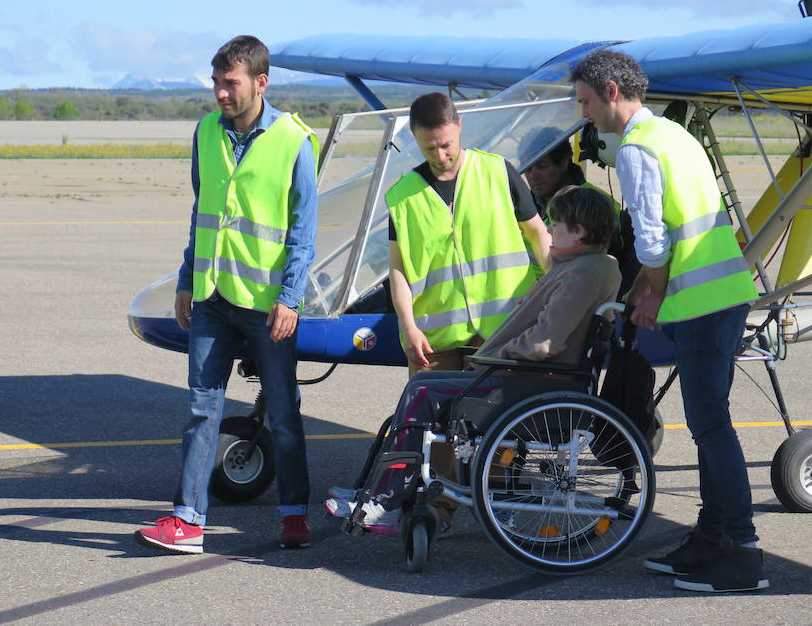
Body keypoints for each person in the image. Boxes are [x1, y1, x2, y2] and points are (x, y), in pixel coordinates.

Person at [570, 49, 766, 592]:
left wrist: (650, 294)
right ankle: (710, 538)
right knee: (711, 426)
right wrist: (641, 287)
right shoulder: (675, 137)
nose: (584, 114)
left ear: (611, 91)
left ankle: (742, 554)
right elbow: (679, 227)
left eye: (585, 101)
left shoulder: (636, 149)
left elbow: (653, 241)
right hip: (721, 294)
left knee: (711, 427)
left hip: (701, 303)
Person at [326, 185, 621, 534]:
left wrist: (498, 357)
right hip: (535, 377)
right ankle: (381, 492)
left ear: (580, 232)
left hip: (530, 379)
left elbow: (544, 342)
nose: (549, 227)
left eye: (557, 223)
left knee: (421, 394)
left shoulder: (582, 273)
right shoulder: (588, 266)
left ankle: (387, 497)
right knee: (421, 384)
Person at [134, 35, 318, 554]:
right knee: (200, 409)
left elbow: (304, 231)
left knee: (283, 413)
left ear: (260, 83)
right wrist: (187, 279)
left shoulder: (293, 140)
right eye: (216, 82)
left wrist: (291, 298)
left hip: (265, 306)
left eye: (229, 83)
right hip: (212, 297)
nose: (219, 93)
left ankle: (294, 514)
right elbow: (203, 213)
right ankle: (188, 520)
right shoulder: (205, 133)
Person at [382, 92, 551, 528]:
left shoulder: (498, 172)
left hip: (501, 326)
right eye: (428, 148)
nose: (440, 156)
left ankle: (499, 497)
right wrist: (407, 325)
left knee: (501, 418)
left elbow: (539, 237)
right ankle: (439, 507)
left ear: (459, 128)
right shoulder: (402, 196)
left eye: (445, 145)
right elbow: (398, 272)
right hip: (433, 334)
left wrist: (559, 292)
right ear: (416, 141)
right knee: (433, 427)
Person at [519, 127, 641, 296]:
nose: (533, 176)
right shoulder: (523, 207)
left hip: (567, 298)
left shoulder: (593, 205)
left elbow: (587, 274)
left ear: (564, 162)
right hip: (533, 299)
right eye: (528, 168)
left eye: (542, 166)